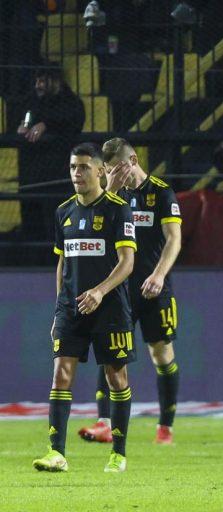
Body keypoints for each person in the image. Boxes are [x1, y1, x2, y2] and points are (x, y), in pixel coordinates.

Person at [32, 143, 137, 473]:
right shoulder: (63, 212)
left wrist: (100, 291)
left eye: (83, 167)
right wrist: (59, 309)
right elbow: (62, 263)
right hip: (71, 308)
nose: (77, 173)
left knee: (116, 377)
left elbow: (127, 262)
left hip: (110, 308)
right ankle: (56, 453)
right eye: (73, 167)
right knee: (60, 375)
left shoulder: (118, 210)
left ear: (101, 171)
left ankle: (118, 453)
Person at [78, 138, 183, 445]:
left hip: (154, 288)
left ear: (133, 161)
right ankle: (104, 424)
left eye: (114, 169)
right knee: (110, 353)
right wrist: (109, 190)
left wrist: (159, 275)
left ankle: (165, 426)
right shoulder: (111, 195)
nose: (110, 175)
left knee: (161, 355)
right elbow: (92, 227)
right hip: (118, 289)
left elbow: (174, 239)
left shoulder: (161, 192)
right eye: (106, 170)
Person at [16, 67, 85, 246]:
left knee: (56, 224)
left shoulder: (70, 102)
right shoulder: (32, 101)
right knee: (32, 225)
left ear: (56, 82)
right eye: (37, 81)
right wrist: (23, 127)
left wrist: (46, 124)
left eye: (42, 81)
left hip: (56, 175)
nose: (38, 85)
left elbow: (73, 119)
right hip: (32, 175)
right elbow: (25, 118)